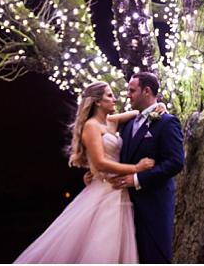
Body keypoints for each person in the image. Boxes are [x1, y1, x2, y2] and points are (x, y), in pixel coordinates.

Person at [13, 81, 164, 264]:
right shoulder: (91, 126)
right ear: (97, 102)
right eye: (109, 95)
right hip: (104, 191)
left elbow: (140, 113)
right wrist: (136, 169)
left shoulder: (112, 121)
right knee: (101, 245)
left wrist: (159, 106)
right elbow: (100, 163)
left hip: (119, 192)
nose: (115, 98)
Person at [109, 72, 185, 263]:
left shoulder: (167, 122)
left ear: (147, 91)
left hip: (154, 207)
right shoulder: (127, 124)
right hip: (123, 208)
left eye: (132, 90)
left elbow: (175, 162)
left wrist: (136, 179)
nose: (128, 95)